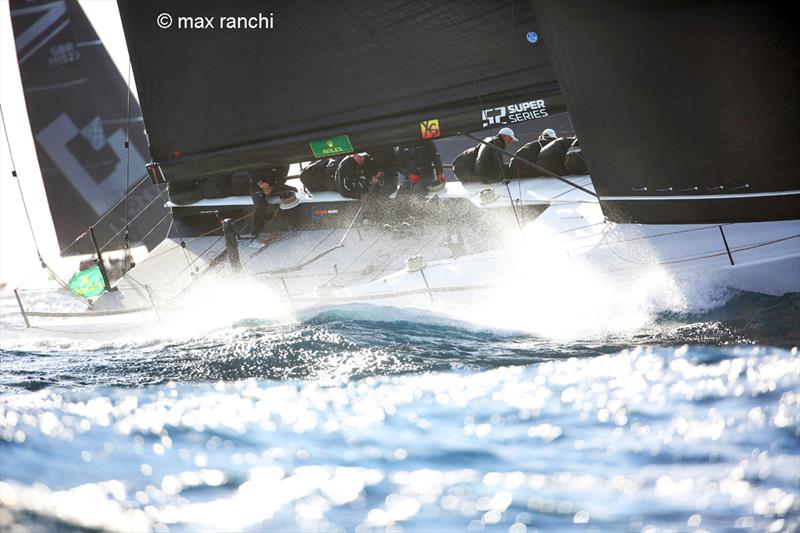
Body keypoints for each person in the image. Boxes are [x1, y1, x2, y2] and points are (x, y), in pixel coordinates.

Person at [248, 164, 295, 237]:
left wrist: (272, 187)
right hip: (257, 187)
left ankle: (292, 225)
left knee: (293, 191)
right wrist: (261, 184)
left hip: (273, 186)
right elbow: (251, 172)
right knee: (260, 204)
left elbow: (282, 178)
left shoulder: (284, 163)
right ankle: (254, 233)